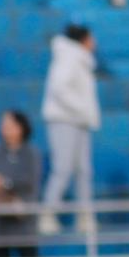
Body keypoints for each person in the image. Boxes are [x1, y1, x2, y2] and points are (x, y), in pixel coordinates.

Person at [41, 24, 100, 210]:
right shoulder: (69, 57)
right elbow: (59, 88)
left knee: (83, 170)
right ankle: (48, 213)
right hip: (64, 120)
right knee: (63, 168)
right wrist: (81, 108)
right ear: (83, 40)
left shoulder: (81, 59)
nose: (95, 42)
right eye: (91, 38)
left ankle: (85, 214)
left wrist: (84, 113)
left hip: (80, 121)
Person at [0, 111, 42, 257]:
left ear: (21, 128)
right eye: (3, 125)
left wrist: (5, 183)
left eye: (10, 125)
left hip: (23, 221)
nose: (4, 128)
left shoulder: (31, 154)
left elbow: (29, 180)